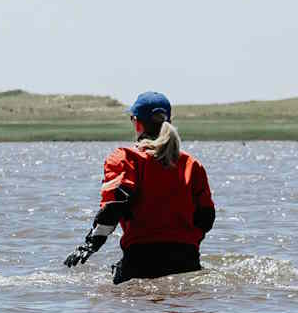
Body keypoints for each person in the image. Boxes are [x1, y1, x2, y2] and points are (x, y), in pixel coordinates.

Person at [65, 91, 215, 284]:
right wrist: (185, 244)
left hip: (140, 262)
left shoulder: (126, 159)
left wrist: (88, 246)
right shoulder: (192, 165)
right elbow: (206, 218)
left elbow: (114, 206)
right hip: (187, 261)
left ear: (136, 122)